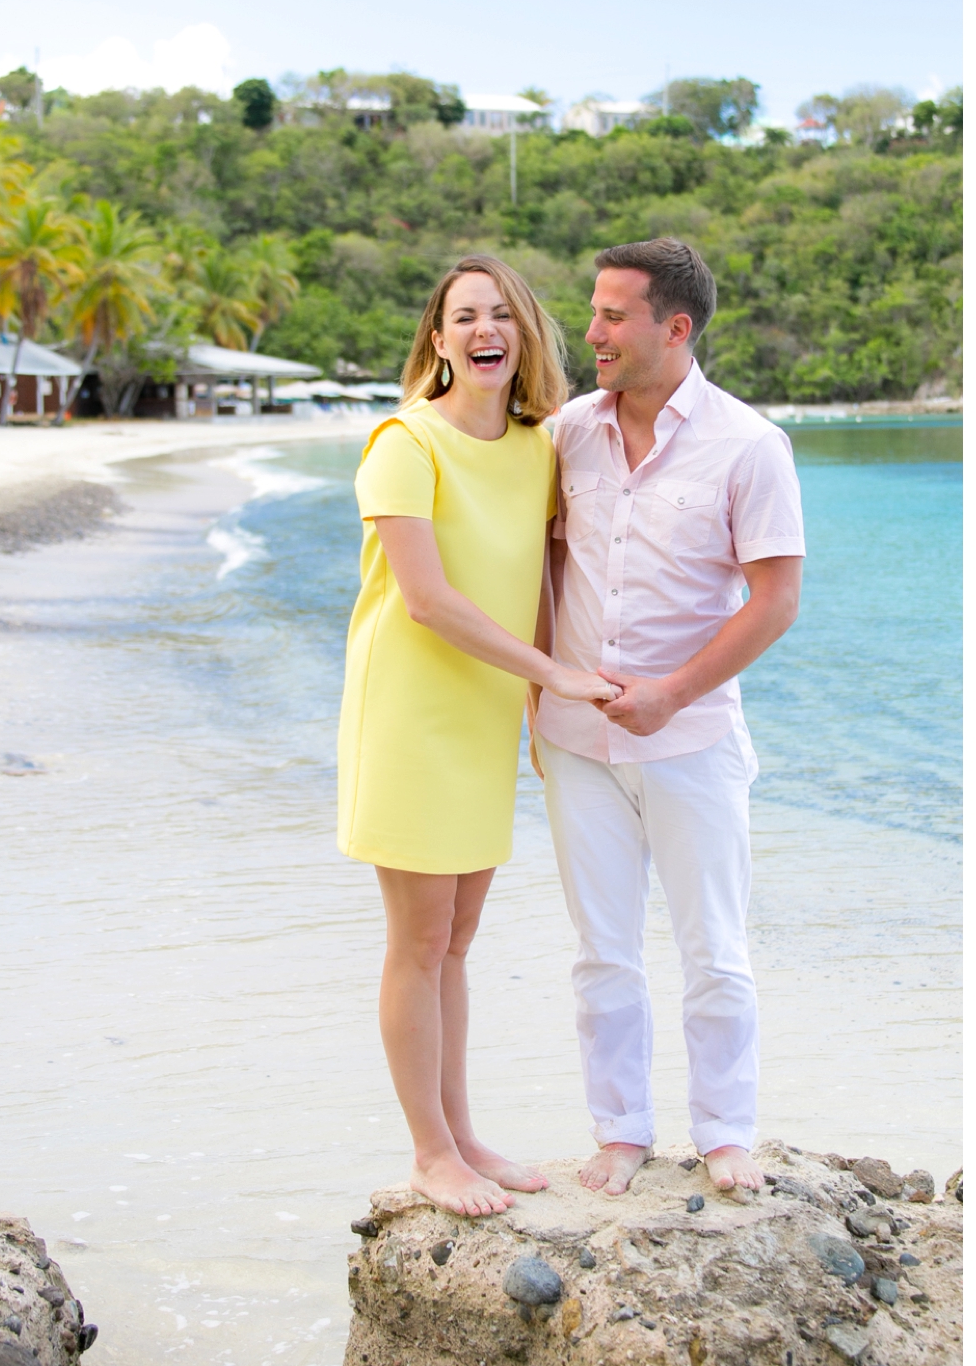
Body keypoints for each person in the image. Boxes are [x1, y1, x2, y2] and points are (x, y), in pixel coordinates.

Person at [337, 256, 622, 1216]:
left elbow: (536, 582)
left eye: (501, 314)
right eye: (463, 316)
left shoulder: (537, 448)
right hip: (410, 717)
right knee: (417, 939)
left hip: (489, 717)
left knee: (456, 941)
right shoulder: (402, 442)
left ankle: (460, 1135)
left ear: (524, 333)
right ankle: (428, 1152)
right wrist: (550, 675)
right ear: (437, 339)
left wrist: (543, 710)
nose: (482, 329)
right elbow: (426, 600)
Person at [537, 238, 804, 1199]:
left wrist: (671, 693)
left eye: (613, 315)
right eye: (594, 310)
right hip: (574, 745)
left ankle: (726, 1131)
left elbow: (774, 600)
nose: (593, 331)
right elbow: (536, 563)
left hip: (691, 741)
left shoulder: (749, 445)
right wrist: (533, 688)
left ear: (673, 328)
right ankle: (619, 1131)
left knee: (714, 949)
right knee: (600, 949)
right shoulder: (566, 431)